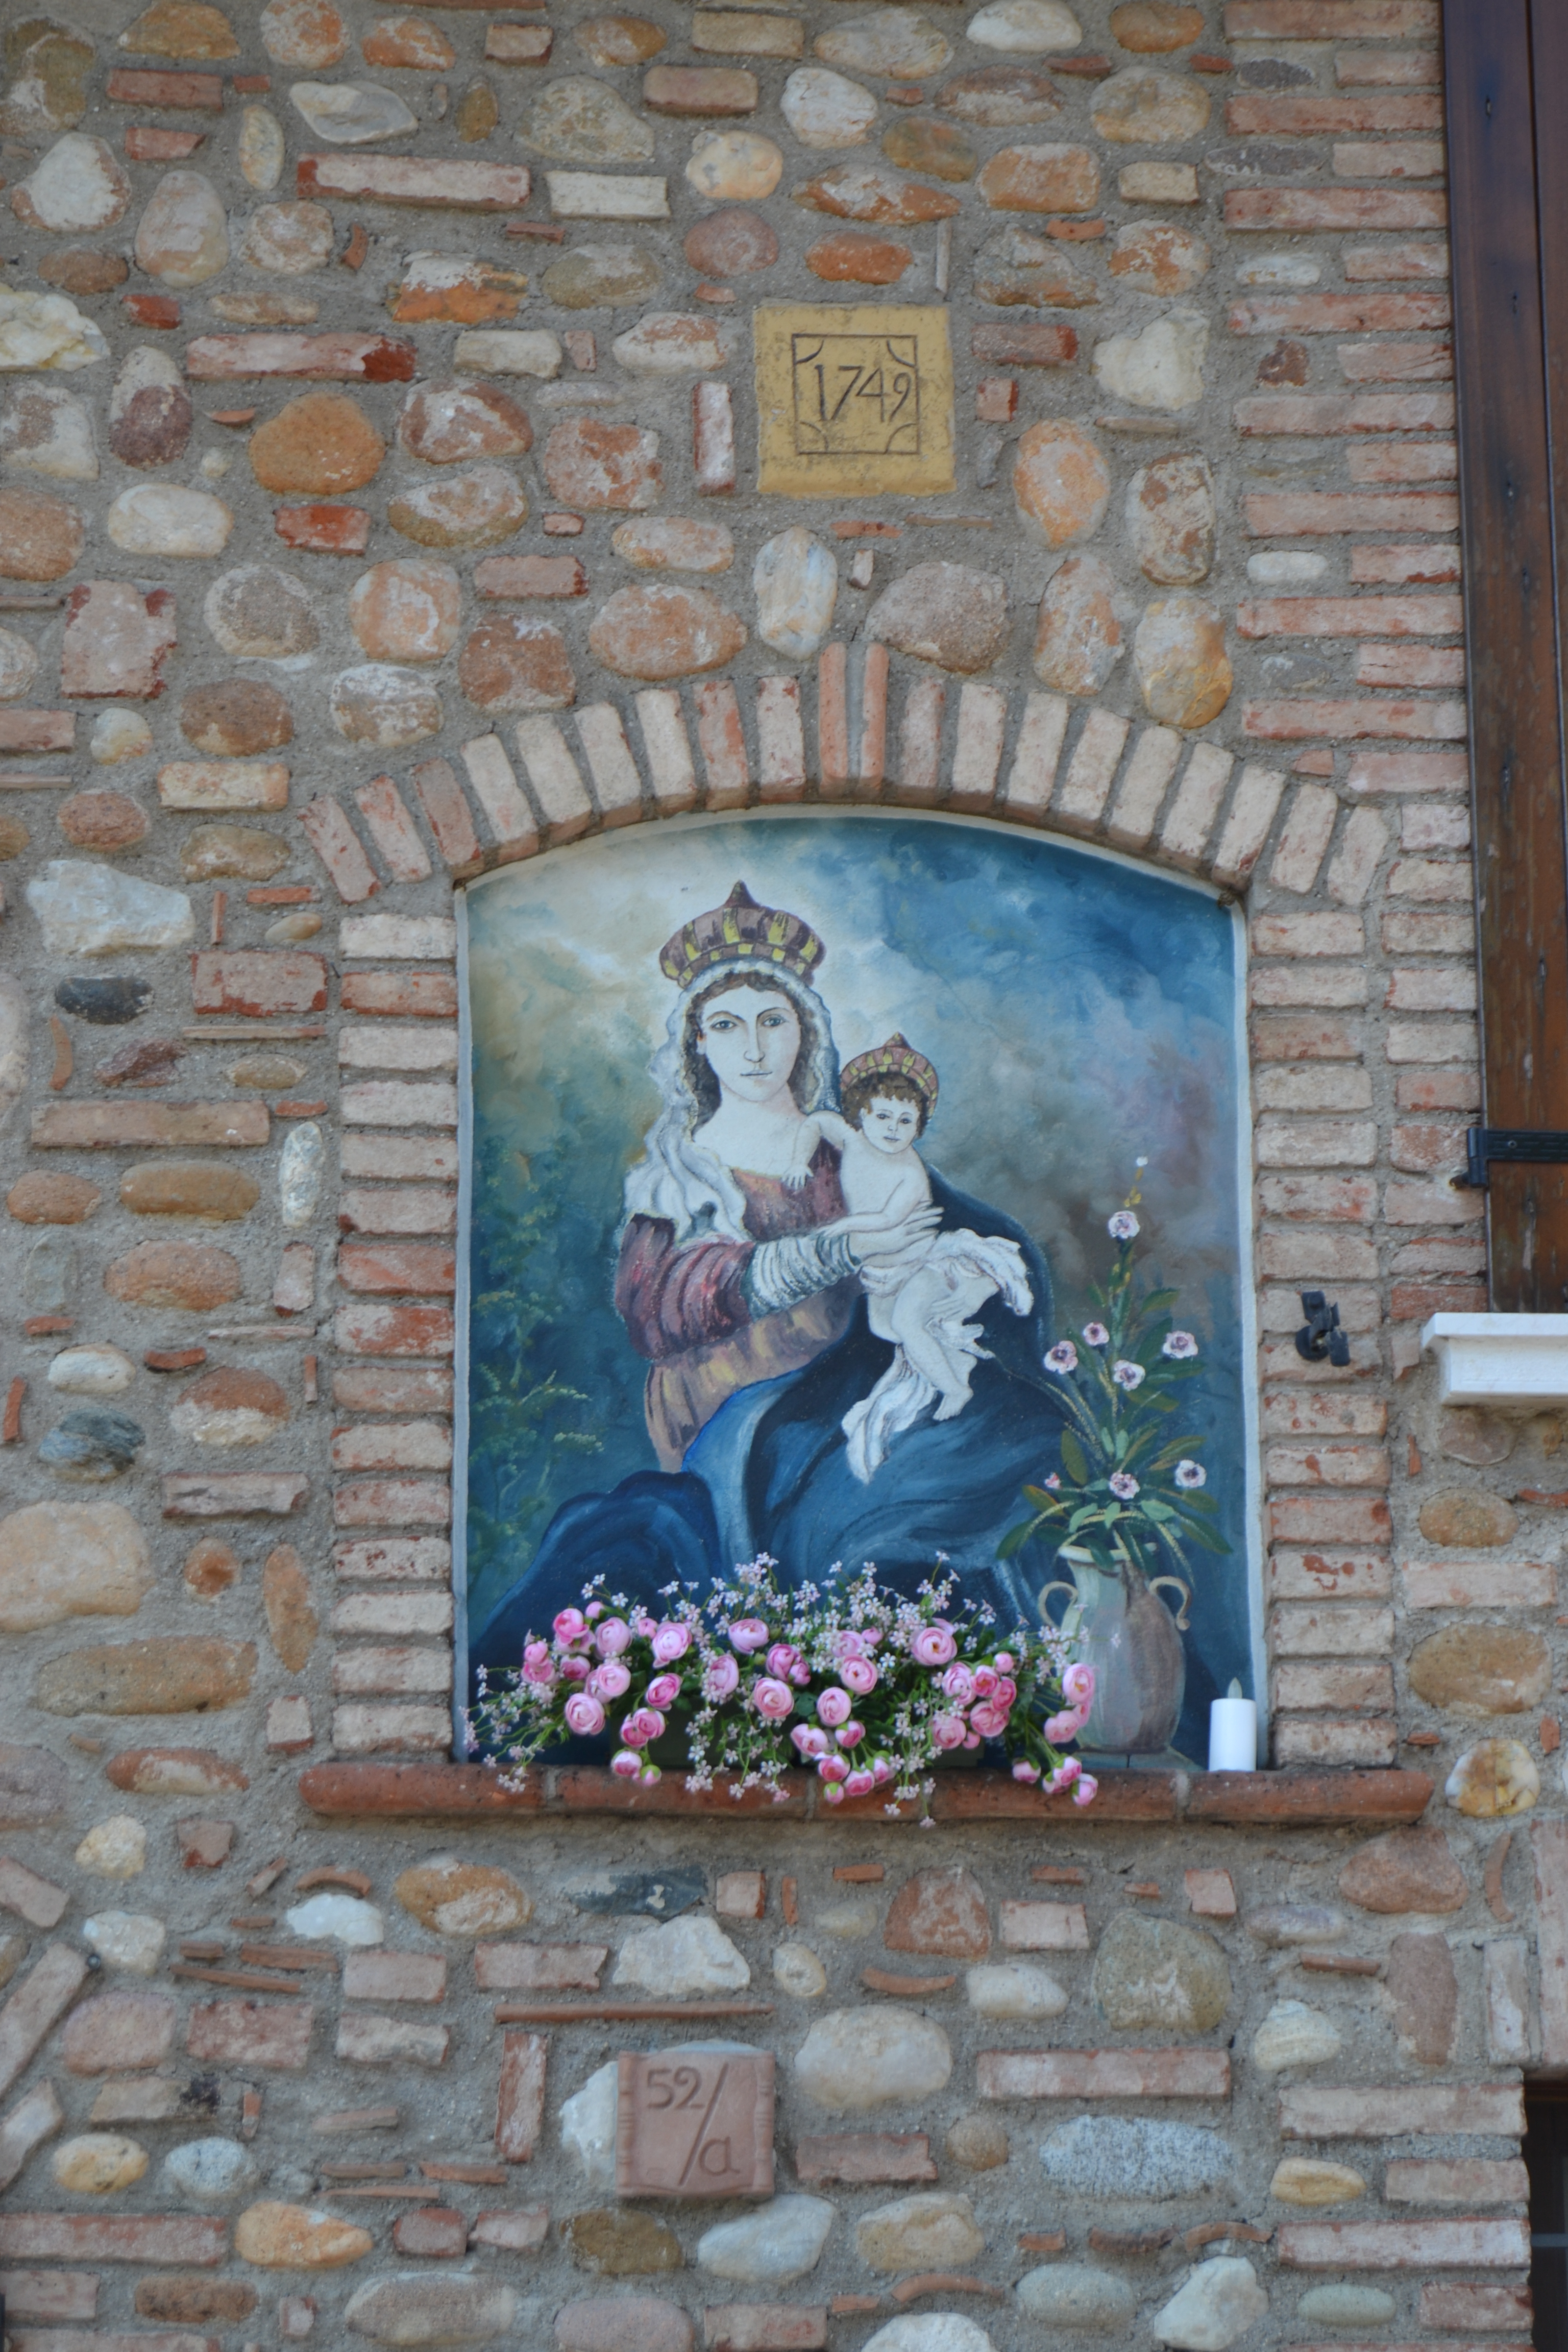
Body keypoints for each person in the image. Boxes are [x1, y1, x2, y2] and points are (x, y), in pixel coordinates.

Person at [470, 881, 1066, 1692]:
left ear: (804, 1030)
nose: (753, 1048)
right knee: (799, 1521)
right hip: (729, 1400)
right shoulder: (681, 1168)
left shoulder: (845, 1147)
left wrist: (966, 1258)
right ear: (696, 1043)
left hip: (845, 1373)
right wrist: (828, 1251)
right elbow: (654, 1307)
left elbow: (925, 1220)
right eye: (726, 1025)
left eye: (772, 1021)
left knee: (993, 1443)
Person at [790, 1036, 1033, 1480]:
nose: (892, 1129)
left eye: (906, 1121)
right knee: (887, 1329)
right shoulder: (852, 1140)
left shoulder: (909, 1170)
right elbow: (817, 1122)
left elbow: (888, 1220)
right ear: (861, 1113)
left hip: (924, 1266)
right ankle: (945, 1358)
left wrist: (842, 1228)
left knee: (907, 1323)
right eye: (882, 1116)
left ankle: (955, 1389)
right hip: (882, 1275)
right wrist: (798, 1160)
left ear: (918, 1127)